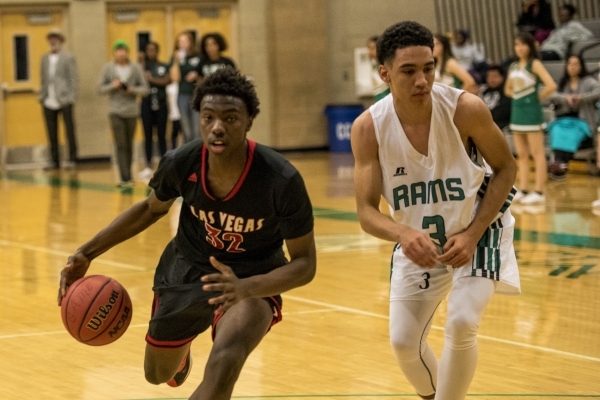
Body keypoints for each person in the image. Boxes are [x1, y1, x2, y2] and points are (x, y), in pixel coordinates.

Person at [58, 67, 317, 400]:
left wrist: (246, 288)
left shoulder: (281, 180)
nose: (218, 127)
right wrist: (86, 252)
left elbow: (305, 264)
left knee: (225, 363)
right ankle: (181, 354)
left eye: (230, 118)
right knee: (157, 374)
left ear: (250, 120)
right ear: (199, 118)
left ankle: (225, 319)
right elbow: (151, 209)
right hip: (187, 267)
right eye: (208, 117)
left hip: (252, 277)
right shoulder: (182, 162)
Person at [351, 21, 520, 400]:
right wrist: (403, 234)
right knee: (403, 343)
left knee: (461, 323)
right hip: (420, 239)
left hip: (480, 229)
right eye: (408, 71)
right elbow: (366, 211)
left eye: (428, 67)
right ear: (384, 73)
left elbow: (507, 168)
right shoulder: (368, 128)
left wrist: (474, 232)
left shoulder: (466, 109)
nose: (422, 80)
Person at [505, 31, 556, 204]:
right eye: (516, 44)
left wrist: (535, 98)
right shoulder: (513, 67)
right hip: (517, 113)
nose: (519, 48)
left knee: (537, 153)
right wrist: (519, 96)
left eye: (523, 44)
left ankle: (539, 192)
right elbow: (507, 89)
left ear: (530, 46)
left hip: (532, 113)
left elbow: (551, 85)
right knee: (521, 154)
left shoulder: (534, 64)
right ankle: (524, 188)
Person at [97, 40, 149, 187]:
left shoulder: (136, 68)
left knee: (129, 143)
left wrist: (132, 90)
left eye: (123, 50)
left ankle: (129, 175)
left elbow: (145, 89)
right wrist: (112, 86)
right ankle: (124, 177)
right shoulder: (108, 68)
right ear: (114, 53)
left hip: (132, 111)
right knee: (120, 144)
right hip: (115, 111)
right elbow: (99, 88)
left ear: (127, 52)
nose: (121, 53)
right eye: (118, 50)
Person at [547, 55, 600, 180]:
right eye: (570, 64)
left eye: (576, 64)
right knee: (557, 131)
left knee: (572, 134)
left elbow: (598, 91)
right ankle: (560, 165)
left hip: (582, 122)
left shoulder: (588, 81)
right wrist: (566, 98)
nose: (573, 67)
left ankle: (560, 165)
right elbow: (552, 95)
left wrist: (581, 97)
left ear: (581, 66)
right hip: (563, 120)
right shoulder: (562, 82)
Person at [39, 28, 78, 170]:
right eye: (51, 38)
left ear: (61, 41)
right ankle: (55, 161)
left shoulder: (68, 57)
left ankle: (72, 159)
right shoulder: (44, 58)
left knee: (69, 130)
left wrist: (71, 97)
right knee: (51, 132)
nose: (53, 41)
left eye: (56, 38)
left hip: (64, 99)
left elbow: (74, 78)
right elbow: (43, 78)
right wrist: (42, 96)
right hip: (48, 100)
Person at [139, 42, 171, 180]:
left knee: (162, 134)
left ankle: (164, 164)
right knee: (147, 134)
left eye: (153, 50)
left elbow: (166, 80)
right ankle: (148, 164)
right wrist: (141, 62)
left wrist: (152, 79)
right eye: (148, 50)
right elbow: (139, 79)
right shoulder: (143, 66)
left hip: (161, 103)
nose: (151, 52)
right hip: (146, 103)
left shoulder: (163, 66)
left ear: (157, 51)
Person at [170, 31, 202, 143]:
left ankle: (199, 156)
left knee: (197, 130)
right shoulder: (176, 57)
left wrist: (196, 75)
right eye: (180, 41)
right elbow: (175, 78)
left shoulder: (198, 57)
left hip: (196, 94)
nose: (182, 44)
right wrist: (176, 61)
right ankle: (188, 157)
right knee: (186, 131)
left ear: (191, 42)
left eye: (185, 41)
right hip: (182, 95)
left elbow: (203, 74)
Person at [479, 64, 511, 132]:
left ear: (502, 77)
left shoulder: (507, 92)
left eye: (495, 76)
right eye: (489, 77)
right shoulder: (484, 92)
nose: (491, 80)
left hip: (503, 127)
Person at [367, 35, 391, 102]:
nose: (370, 51)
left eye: (373, 48)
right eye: (369, 48)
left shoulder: (386, 67)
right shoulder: (373, 68)